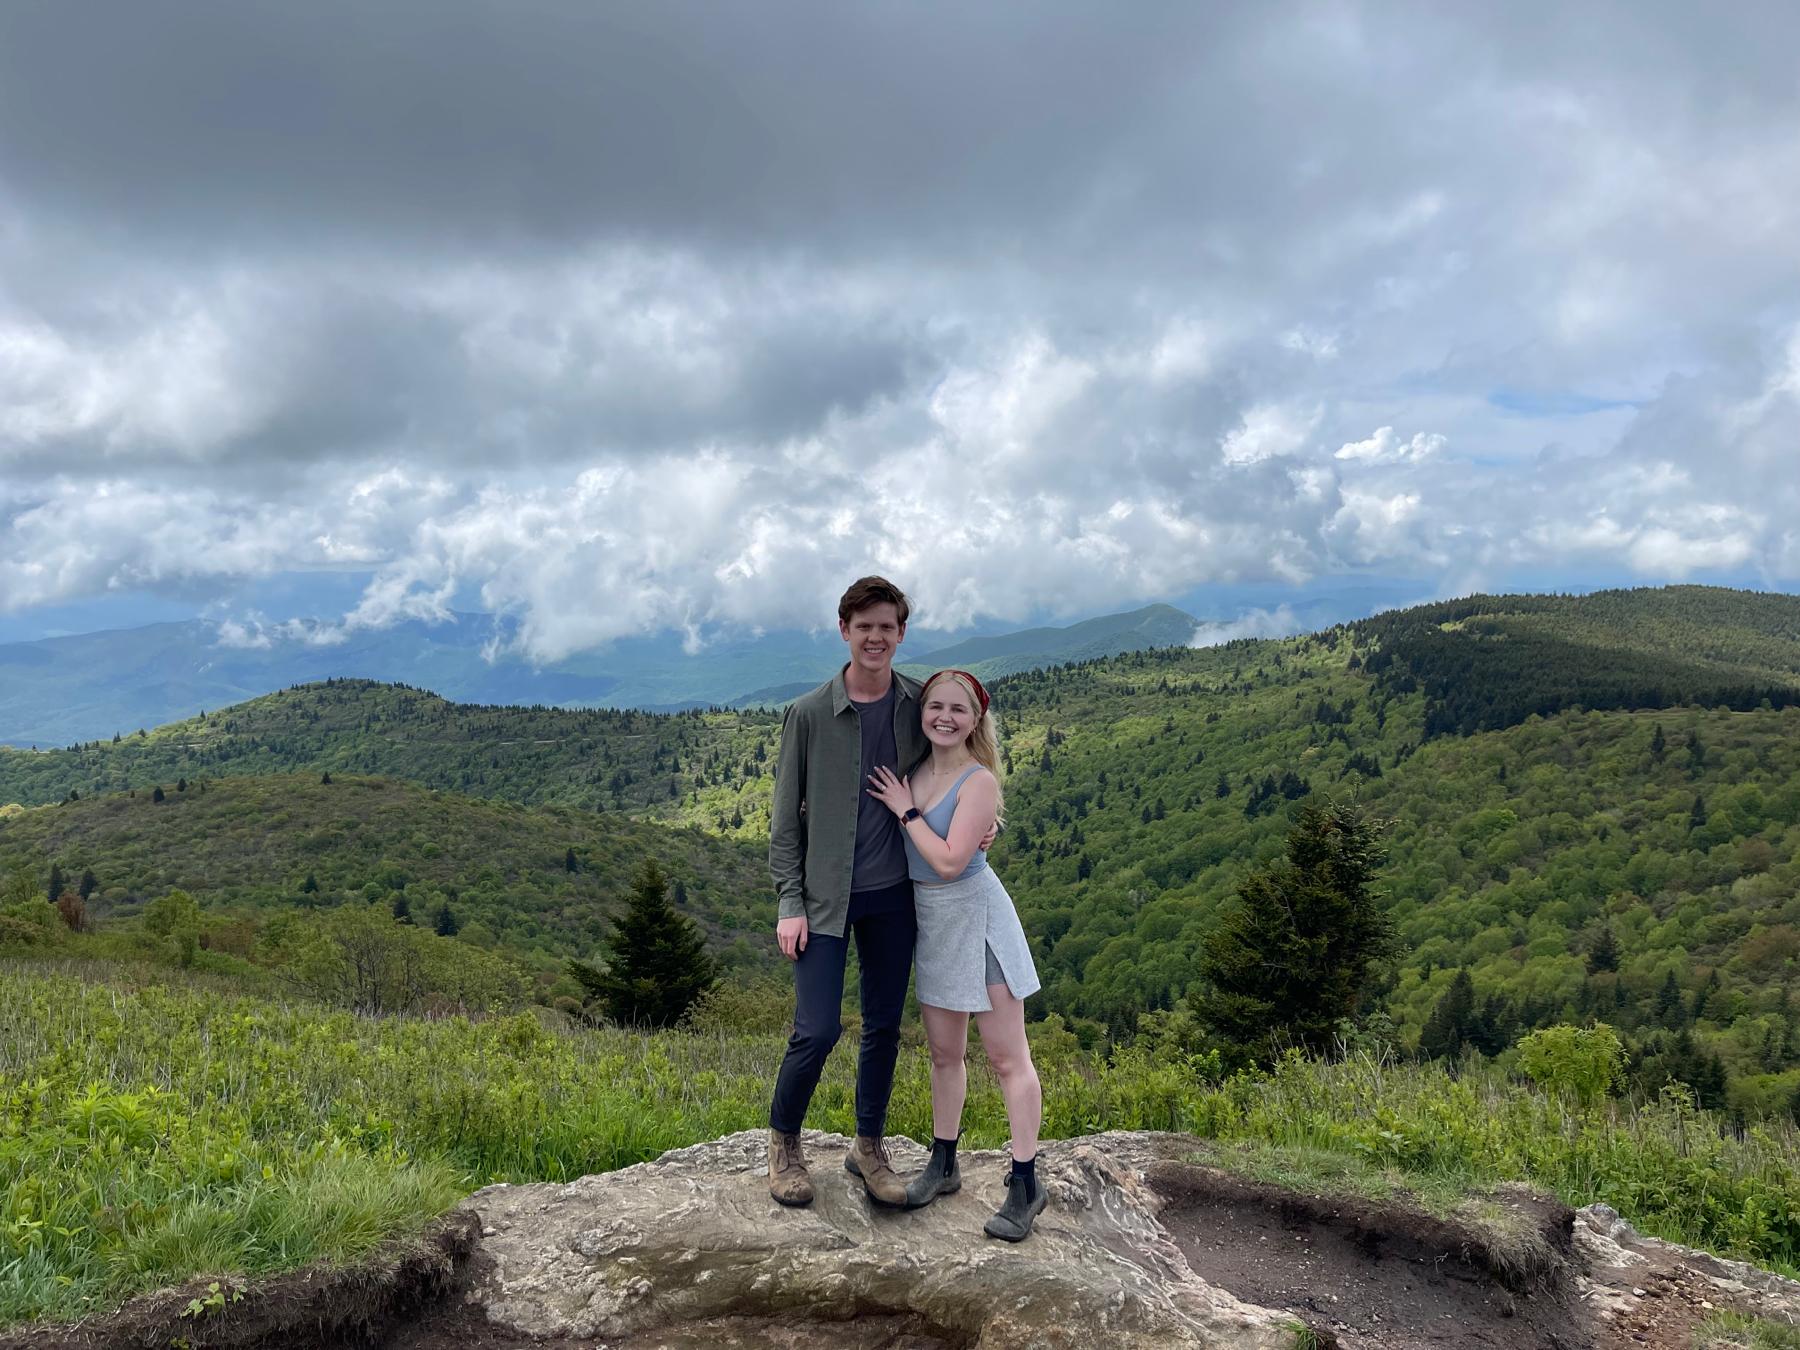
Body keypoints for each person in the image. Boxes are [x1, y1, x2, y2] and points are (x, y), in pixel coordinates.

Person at [765, 576, 930, 1208]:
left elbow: (960, 765)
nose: (876, 637)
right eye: (864, 626)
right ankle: (783, 1144)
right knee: (817, 1028)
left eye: (887, 627)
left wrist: (983, 820)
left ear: (901, 633)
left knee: (884, 1025)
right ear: (844, 631)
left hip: (895, 893)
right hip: (825, 898)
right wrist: (789, 903)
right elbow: (784, 822)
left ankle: (868, 1148)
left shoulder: (919, 704)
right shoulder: (808, 714)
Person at [865, 668, 1046, 1242]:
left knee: (1006, 1057)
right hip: (935, 925)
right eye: (934, 706)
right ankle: (944, 1163)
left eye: (958, 710)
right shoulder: (913, 773)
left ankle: (1025, 1182)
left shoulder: (978, 782)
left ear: (976, 719)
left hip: (979, 919)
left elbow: (947, 861)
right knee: (945, 1055)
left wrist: (907, 812)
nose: (944, 717)